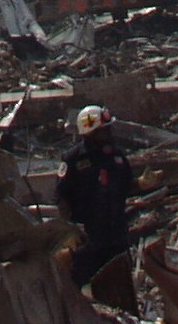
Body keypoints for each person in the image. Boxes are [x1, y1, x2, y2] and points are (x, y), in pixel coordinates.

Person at [56, 104, 134, 289]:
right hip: (88, 239)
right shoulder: (73, 159)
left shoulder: (117, 156)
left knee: (120, 287)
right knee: (83, 287)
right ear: (90, 132)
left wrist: (144, 183)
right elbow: (61, 197)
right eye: (104, 130)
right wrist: (69, 231)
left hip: (116, 237)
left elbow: (128, 187)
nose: (109, 133)